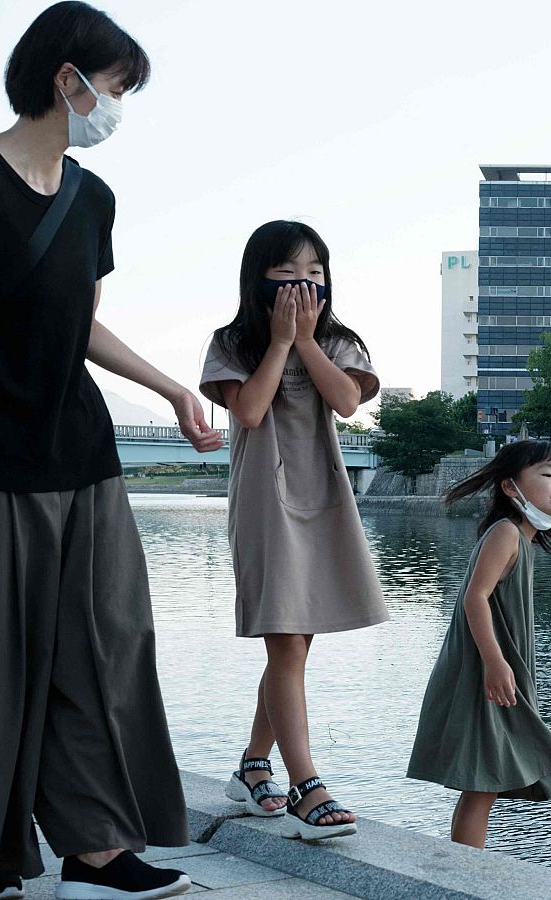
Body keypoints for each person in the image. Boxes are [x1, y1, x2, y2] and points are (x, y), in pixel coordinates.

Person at [0, 4, 215, 897]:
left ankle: (97, 850)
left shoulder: (92, 197)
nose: (116, 109)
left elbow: (81, 322)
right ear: (65, 80)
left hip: (80, 450)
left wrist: (171, 386)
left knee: (106, 646)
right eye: (114, 89)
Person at [200, 221, 388, 840]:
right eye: (288, 274)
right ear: (259, 279)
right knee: (285, 642)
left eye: (315, 273)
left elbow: (346, 403)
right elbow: (249, 411)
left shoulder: (340, 342)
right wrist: (279, 342)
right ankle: (307, 785)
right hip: (263, 500)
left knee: (298, 645)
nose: (303, 285)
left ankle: (255, 765)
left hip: (324, 496)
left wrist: (306, 341)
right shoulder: (231, 342)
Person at [407, 441, 551, 848]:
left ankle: (465, 867)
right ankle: (465, 873)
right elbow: (474, 598)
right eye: (548, 476)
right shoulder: (506, 533)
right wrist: (497, 664)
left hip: (494, 667)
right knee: (483, 781)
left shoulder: (522, 538)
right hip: (486, 670)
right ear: (510, 487)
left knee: (486, 782)